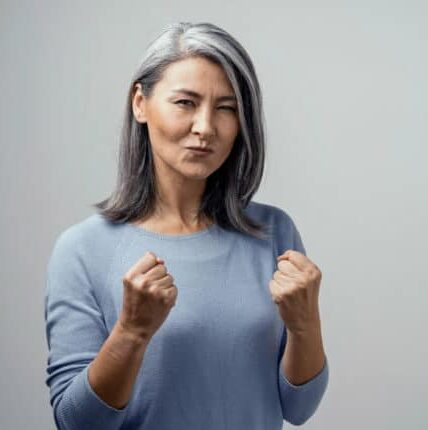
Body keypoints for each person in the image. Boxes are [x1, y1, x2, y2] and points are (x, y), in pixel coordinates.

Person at [44, 21, 329, 430]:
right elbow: (76, 423)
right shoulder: (81, 250)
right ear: (140, 103)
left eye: (227, 108)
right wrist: (131, 332)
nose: (205, 127)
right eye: (185, 102)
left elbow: (298, 408)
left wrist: (306, 324)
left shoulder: (273, 233)